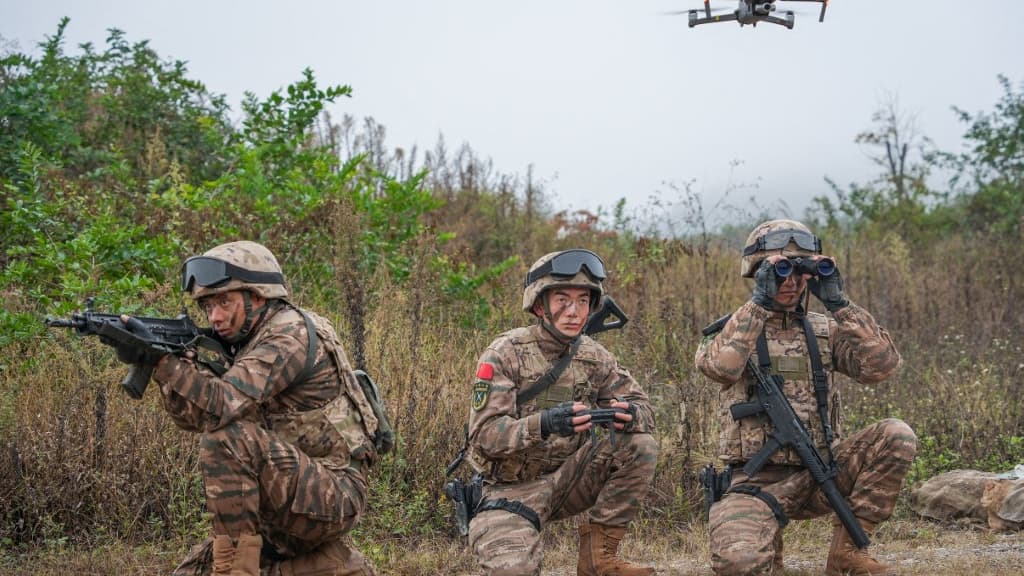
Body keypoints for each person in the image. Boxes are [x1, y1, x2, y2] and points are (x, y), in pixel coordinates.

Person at [122, 241, 382, 576]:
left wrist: (167, 365)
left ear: (257, 296)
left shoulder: (288, 334)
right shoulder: (249, 340)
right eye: (207, 306)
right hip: (288, 497)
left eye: (224, 302)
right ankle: (332, 566)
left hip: (332, 496)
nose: (214, 316)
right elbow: (196, 417)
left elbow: (221, 407)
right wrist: (171, 371)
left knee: (227, 440)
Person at [695, 219, 918, 576]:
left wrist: (840, 304)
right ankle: (766, 548)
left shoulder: (824, 330)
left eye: (801, 271)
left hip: (821, 473)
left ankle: (846, 554)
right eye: (781, 270)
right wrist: (758, 305)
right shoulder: (730, 330)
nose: (792, 281)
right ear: (758, 272)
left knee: (896, 435)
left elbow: (882, 366)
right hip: (753, 484)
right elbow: (721, 368)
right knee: (740, 564)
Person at [465, 248, 659, 576]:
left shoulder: (594, 356)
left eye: (583, 300)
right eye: (562, 300)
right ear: (540, 305)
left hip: (567, 480)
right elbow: (484, 436)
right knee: (514, 571)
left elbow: (646, 411)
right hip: (507, 491)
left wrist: (628, 414)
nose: (574, 311)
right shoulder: (505, 353)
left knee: (640, 445)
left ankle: (599, 558)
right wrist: (545, 423)